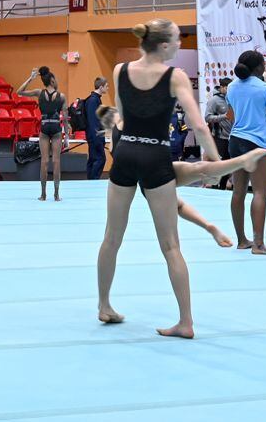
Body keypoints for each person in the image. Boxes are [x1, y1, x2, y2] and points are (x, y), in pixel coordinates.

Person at [95, 20, 226, 339]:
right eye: (179, 41)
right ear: (164, 46)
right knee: (170, 245)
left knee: (112, 237)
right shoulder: (175, 76)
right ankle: (185, 321)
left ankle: (104, 305)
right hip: (156, 158)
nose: (181, 45)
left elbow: (122, 117)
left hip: (126, 155)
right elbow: (199, 126)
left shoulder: (119, 70)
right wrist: (215, 162)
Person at [98, 106, 264, 249]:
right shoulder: (125, 119)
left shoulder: (114, 134)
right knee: (197, 169)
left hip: (140, 177)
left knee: (179, 204)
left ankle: (208, 226)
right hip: (152, 167)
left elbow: (116, 155)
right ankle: (240, 162)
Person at [225, 50, 266, 255]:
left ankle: (242, 240)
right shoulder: (265, 89)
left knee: (238, 191)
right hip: (257, 144)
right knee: (260, 193)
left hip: (236, 141)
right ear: (259, 68)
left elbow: (231, 116)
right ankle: (258, 245)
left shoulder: (231, 87)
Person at [19, 67, 67, 201]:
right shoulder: (61, 96)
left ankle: (43, 194)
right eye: (55, 79)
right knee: (56, 162)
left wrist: (31, 78)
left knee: (44, 162)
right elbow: (65, 119)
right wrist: (67, 136)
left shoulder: (38, 92)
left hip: (45, 127)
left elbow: (19, 92)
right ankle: (56, 195)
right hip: (56, 128)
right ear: (52, 80)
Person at [202, 78, 233, 181]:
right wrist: (224, 116)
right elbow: (207, 117)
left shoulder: (232, 98)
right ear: (222, 88)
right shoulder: (214, 100)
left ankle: (223, 188)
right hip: (220, 137)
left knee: (229, 166)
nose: (230, 90)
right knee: (220, 165)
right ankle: (216, 187)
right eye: (228, 88)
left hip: (232, 137)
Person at [83, 77, 109, 180]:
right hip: (95, 136)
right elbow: (93, 121)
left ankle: (91, 181)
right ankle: (93, 181)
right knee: (100, 159)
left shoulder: (95, 99)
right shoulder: (93, 100)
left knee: (94, 159)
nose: (108, 88)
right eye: (106, 86)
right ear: (101, 86)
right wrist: (98, 137)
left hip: (95, 135)